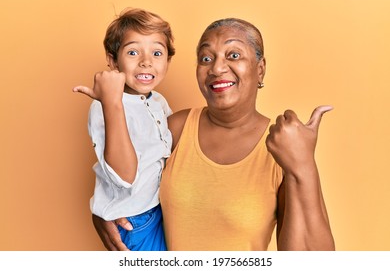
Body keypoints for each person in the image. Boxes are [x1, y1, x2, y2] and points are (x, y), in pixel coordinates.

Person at [90, 17, 335, 251]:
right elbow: (123, 179)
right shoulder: (175, 127)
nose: (217, 68)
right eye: (206, 58)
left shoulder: (282, 147)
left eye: (234, 55)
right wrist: (104, 213)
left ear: (260, 69)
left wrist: (303, 166)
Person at [73, 8, 175, 251]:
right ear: (112, 59)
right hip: (135, 221)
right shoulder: (106, 106)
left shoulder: (157, 101)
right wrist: (111, 102)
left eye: (157, 53)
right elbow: (125, 177)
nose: (146, 61)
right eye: (132, 52)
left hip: (161, 210)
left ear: (168, 61)